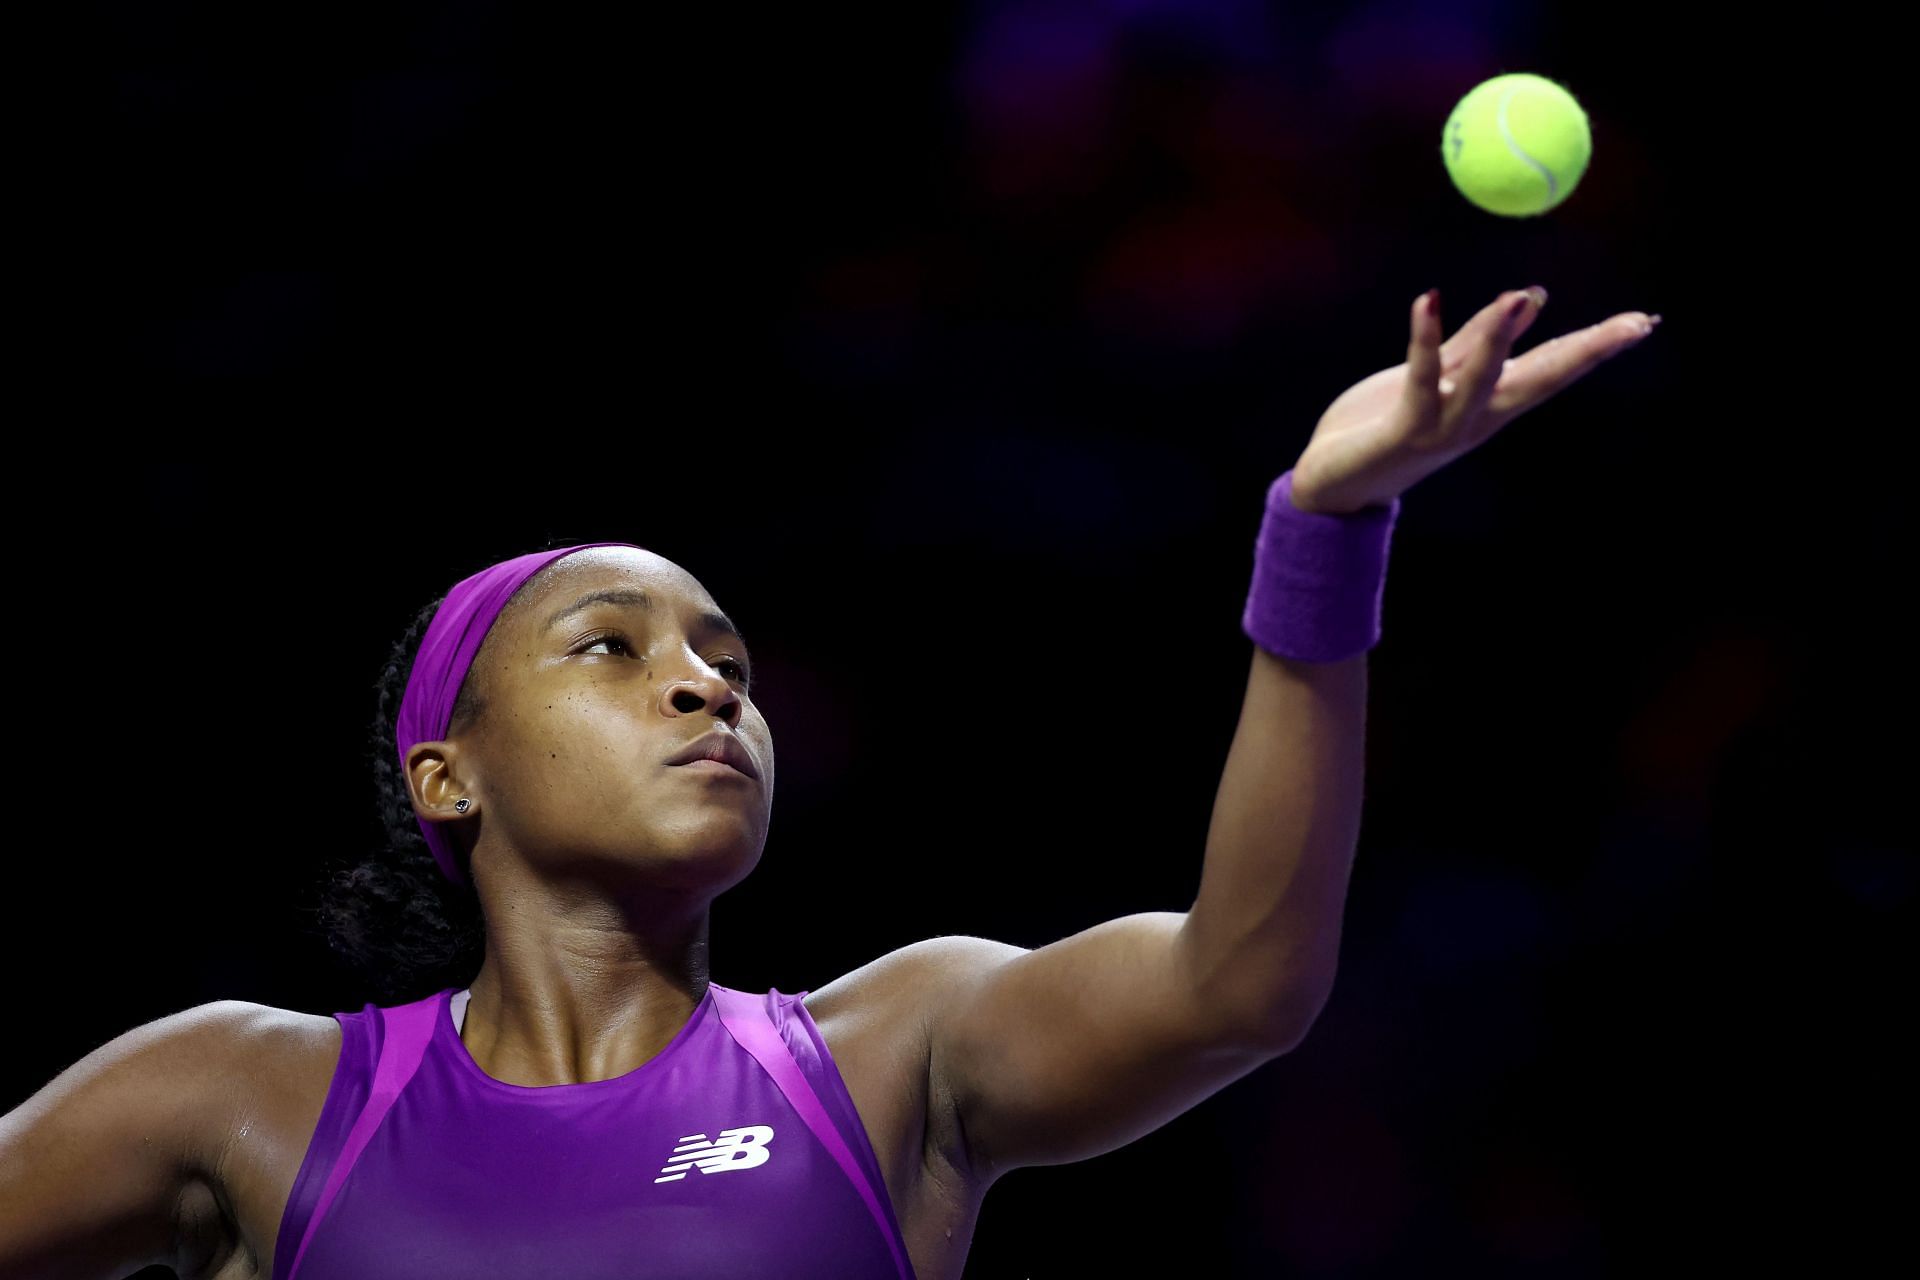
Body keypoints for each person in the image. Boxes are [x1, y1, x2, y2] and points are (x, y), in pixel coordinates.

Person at [0, 286, 1658, 1279]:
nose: (705, 680)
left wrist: (1323, 536)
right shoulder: (245, 1099)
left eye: (726, 654)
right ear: (451, 776)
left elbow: (1242, 982)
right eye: (610, 646)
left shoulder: (886, 1058)